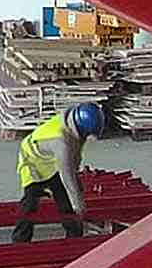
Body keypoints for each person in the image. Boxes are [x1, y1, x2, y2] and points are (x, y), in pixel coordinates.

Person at [13, 100, 109, 242]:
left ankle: (74, 237)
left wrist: (77, 191)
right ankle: (20, 241)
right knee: (30, 201)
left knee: (65, 199)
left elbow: (75, 157)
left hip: (50, 159)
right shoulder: (61, 141)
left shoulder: (74, 125)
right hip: (32, 160)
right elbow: (67, 174)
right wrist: (78, 203)